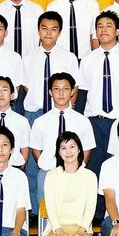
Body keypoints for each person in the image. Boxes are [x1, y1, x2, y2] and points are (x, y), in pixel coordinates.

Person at [78, 10, 119, 175]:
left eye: (108, 26)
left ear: (118, 31)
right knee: (93, 169)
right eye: (99, 26)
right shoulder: (87, 60)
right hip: (94, 122)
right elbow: (82, 92)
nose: (103, 30)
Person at [30, 72, 96, 213]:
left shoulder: (83, 121)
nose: (61, 93)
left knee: (75, 214)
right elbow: (36, 150)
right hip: (48, 173)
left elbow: (87, 149)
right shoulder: (40, 122)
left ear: (72, 92)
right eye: (56, 89)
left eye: (65, 89)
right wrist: (48, 166)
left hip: (75, 174)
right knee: (47, 214)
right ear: (50, 92)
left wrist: (77, 168)